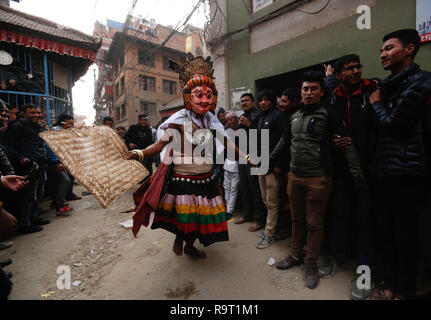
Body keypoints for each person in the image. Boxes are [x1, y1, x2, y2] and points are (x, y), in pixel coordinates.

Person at [128, 54, 252, 259]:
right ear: (188, 97)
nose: (204, 99)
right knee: (186, 218)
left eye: (208, 95)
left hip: (207, 179)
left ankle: (188, 244)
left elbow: (227, 142)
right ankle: (183, 240)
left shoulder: (211, 121)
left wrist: (246, 156)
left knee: (201, 219)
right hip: (184, 180)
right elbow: (160, 144)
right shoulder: (178, 121)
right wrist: (139, 153)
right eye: (198, 95)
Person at [270, 71, 364, 289]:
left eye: (313, 89)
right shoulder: (293, 116)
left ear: (322, 91)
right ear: (301, 92)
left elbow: (345, 143)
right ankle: (295, 255)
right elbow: (284, 142)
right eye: (305, 89)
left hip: (318, 179)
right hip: (294, 176)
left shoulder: (329, 114)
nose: (309, 93)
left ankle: (310, 263)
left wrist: (356, 172)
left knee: (314, 224)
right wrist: (267, 159)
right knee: (296, 219)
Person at [368, 29, 431, 300]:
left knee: (407, 236)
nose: (382, 54)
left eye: (389, 48)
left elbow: (395, 124)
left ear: (409, 50)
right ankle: (390, 285)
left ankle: (405, 290)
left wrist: (376, 104)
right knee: (387, 232)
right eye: (382, 50)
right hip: (384, 171)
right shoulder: (387, 85)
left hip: (408, 172)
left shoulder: (422, 82)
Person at [319, 54, 378, 300]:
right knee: (340, 215)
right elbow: (324, 130)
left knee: (366, 221)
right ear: (340, 74)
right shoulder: (332, 98)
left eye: (358, 67)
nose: (355, 71)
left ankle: (366, 274)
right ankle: (338, 258)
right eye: (350, 68)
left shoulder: (373, 92)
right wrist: (332, 141)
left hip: (370, 170)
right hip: (342, 170)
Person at [5, 104, 50, 234]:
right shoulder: (17, 126)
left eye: (37, 112)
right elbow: (8, 146)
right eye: (32, 113)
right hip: (27, 167)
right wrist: (20, 157)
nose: (36, 115)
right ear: (24, 114)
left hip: (41, 165)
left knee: (38, 193)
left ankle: (33, 217)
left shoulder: (39, 126)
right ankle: (25, 224)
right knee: (27, 196)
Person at [255, 89, 285, 249]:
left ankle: (269, 233)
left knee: (272, 202)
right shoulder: (261, 117)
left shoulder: (278, 116)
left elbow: (284, 141)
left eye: (266, 100)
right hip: (261, 164)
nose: (263, 102)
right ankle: (273, 227)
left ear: (272, 101)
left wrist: (279, 164)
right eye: (261, 100)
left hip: (273, 167)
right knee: (265, 200)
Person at [233, 93, 267, 231]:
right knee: (244, 187)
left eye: (246, 100)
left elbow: (262, 136)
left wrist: (250, 125)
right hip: (242, 155)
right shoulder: (241, 116)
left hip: (254, 155)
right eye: (242, 101)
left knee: (255, 188)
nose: (244, 103)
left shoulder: (258, 115)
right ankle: (247, 214)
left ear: (253, 102)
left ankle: (259, 219)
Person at [52, 114, 81, 202]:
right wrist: (56, 161)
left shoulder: (68, 131)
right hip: (59, 160)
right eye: (69, 124)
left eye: (72, 124)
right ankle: (58, 201)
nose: (71, 126)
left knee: (71, 178)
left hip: (69, 158)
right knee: (63, 181)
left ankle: (69, 195)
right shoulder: (55, 132)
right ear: (62, 123)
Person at [223, 111, 240, 220]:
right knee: (226, 187)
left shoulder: (241, 129)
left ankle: (229, 210)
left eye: (231, 119)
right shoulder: (226, 130)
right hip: (227, 163)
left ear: (236, 119)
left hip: (237, 163)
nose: (229, 122)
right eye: (228, 120)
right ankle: (226, 208)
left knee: (234, 188)